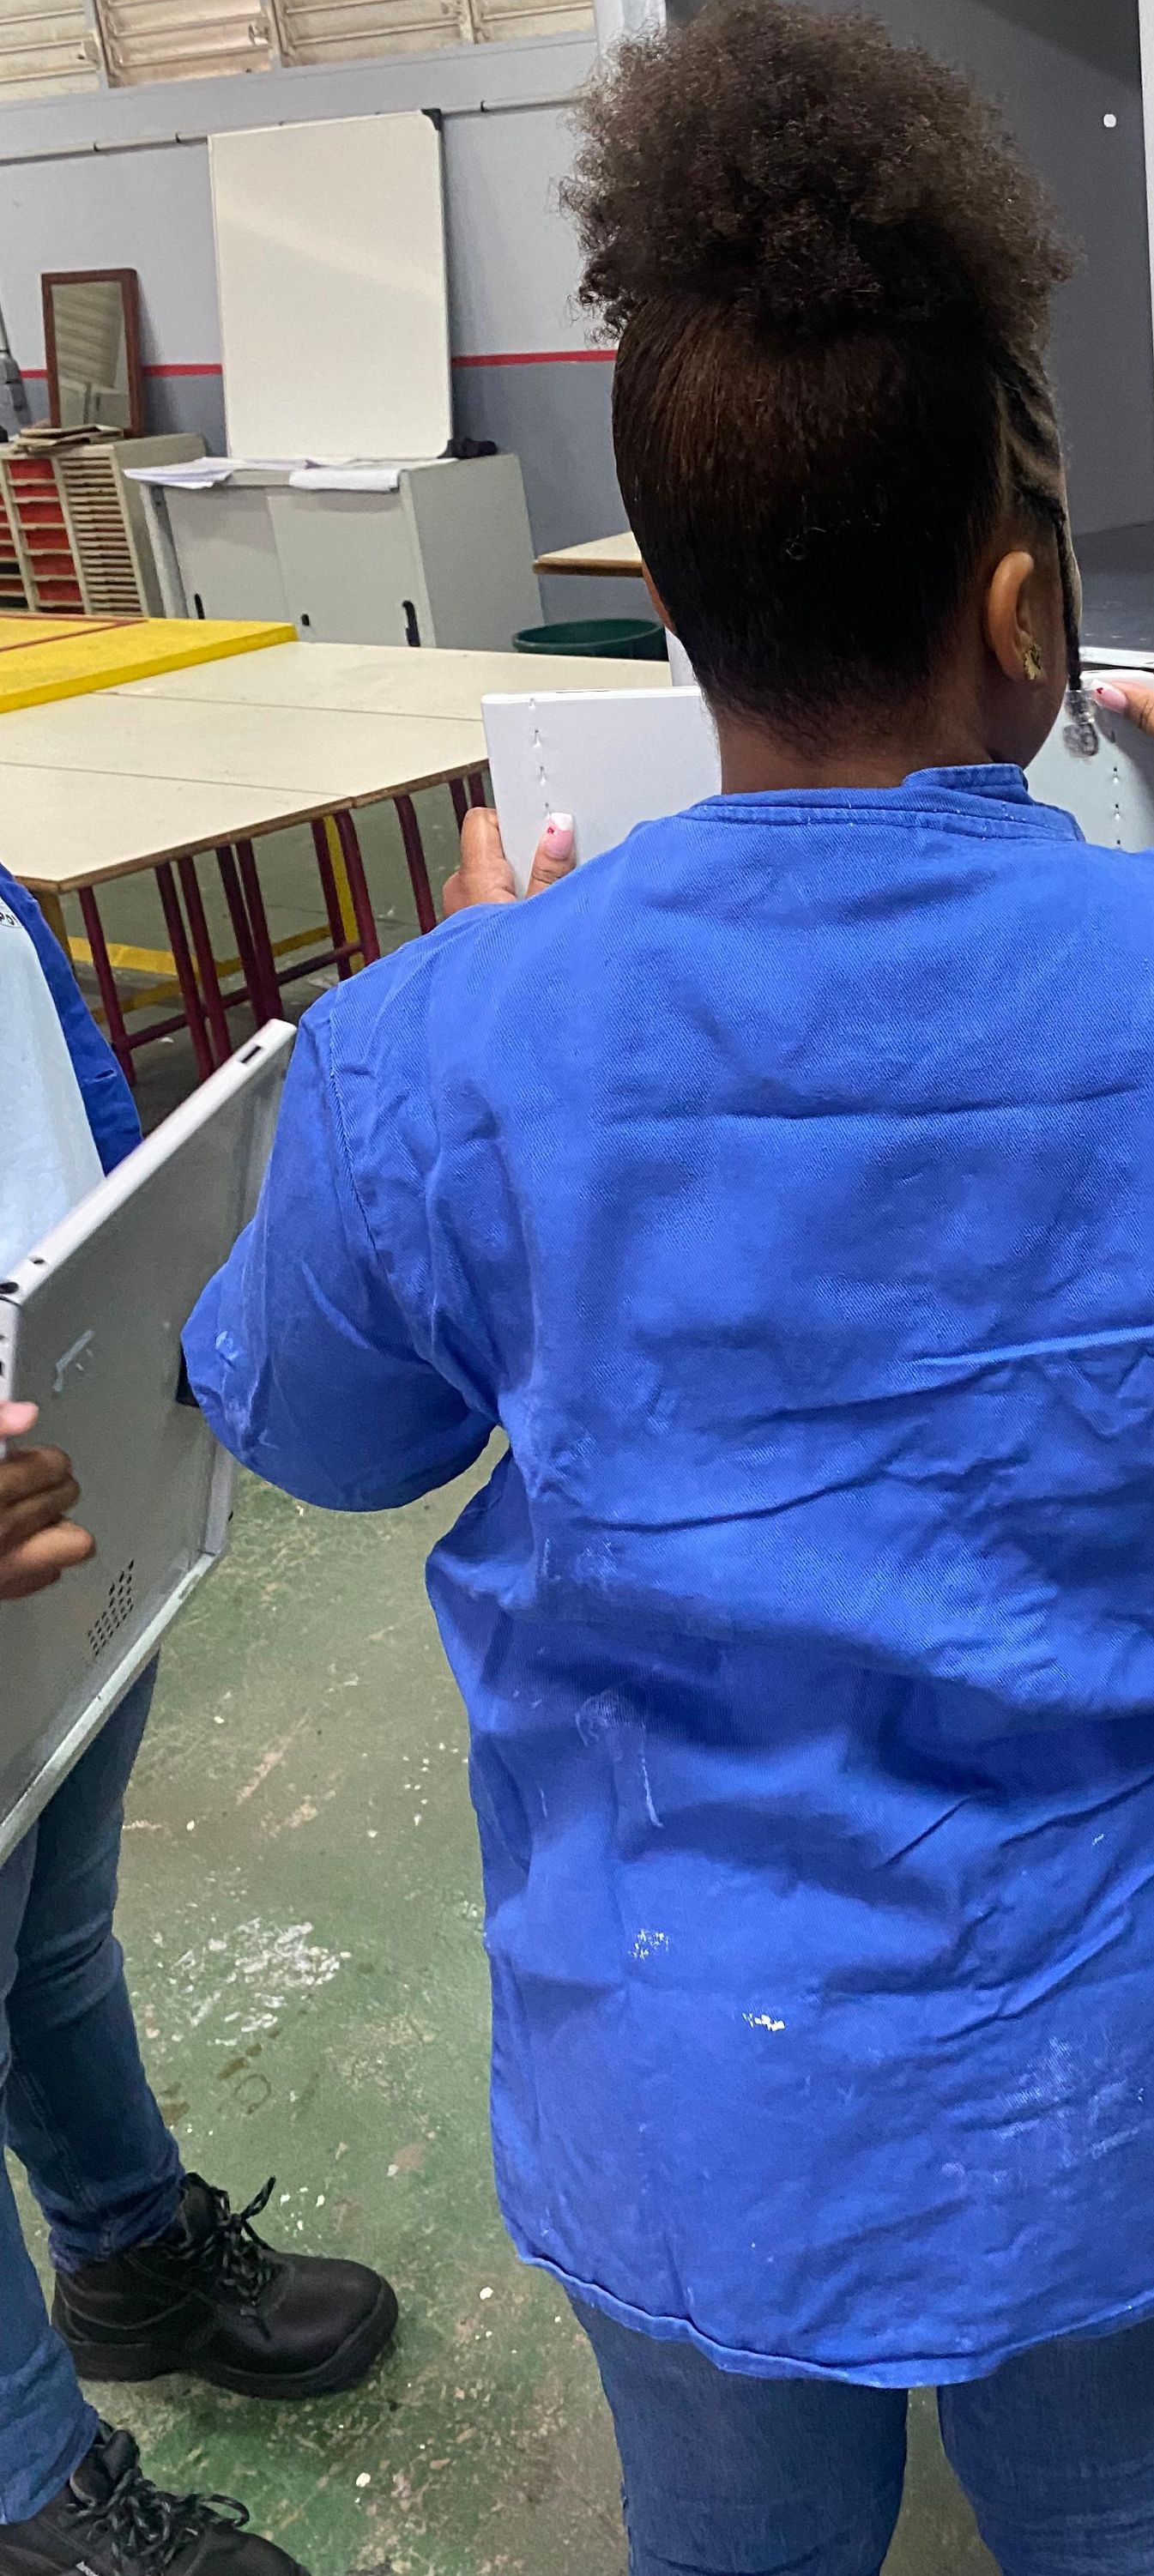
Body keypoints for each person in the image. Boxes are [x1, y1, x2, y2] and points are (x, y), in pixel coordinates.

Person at [184, 0, 1154, 2576]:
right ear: (1025, 609)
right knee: (1121, 2501)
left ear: (673, 611)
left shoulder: (441, 1043)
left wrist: (457, 991)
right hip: (1099, 2039)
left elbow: (317, 1426)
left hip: (685, 2058)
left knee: (733, 2529)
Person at [0, 867, 396, 2576]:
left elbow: (100, 1149)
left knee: (48, 1932)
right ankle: (27, 2494)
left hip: (65, 1482)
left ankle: (123, 2251)